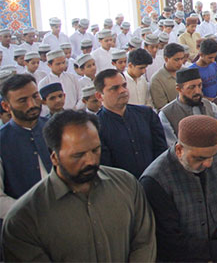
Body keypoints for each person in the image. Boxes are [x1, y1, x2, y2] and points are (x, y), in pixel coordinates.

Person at [1, 110, 157, 261]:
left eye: (95, 150)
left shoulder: (127, 185)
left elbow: (144, 243)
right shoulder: (25, 218)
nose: (91, 161)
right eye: (78, 155)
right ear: (54, 157)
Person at [140, 115, 217, 262]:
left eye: (212, 155)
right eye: (199, 158)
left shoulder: (215, 160)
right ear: (180, 149)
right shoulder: (155, 181)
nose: (208, 164)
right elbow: (169, 241)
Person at [95, 68, 168, 178]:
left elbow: (161, 151)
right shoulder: (96, 126)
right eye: (114, 88)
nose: (122, 91)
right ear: (99, 96)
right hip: (121, 187)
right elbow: (105, 166)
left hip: (155, 180)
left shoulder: (146, 114)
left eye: (124, 85)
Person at [0, 74, 52, 220]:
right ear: (6, 106)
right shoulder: (2, 141)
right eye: (23, 101)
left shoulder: (55, 128)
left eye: (35, 96)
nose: (32, 104)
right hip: (24, 225)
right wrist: (32, 212)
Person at [158, 68, 217, 155]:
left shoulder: (211, 106)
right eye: (191, 87)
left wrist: (213, 154)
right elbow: (172, 146)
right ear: (179, 89)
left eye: (200, 85)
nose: (197, 91)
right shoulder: (166, 114)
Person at [150, 43, 186, 111]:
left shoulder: (185, 71)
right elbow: (162, 107)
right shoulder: (157, 79)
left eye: (182, 59)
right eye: (176, 59)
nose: (180, 62)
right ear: (166, 59)